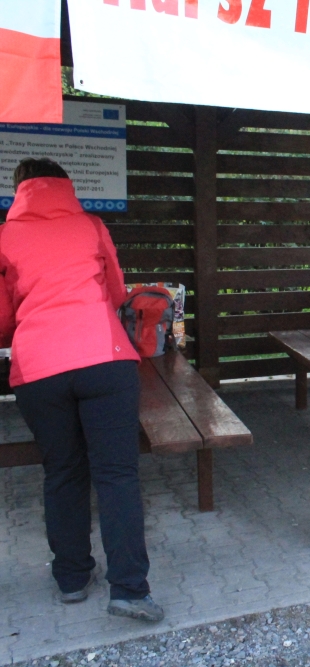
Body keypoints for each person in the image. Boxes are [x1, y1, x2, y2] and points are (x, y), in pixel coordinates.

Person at [0, 158, 164, 622]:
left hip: (39, 370)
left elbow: (3, 318)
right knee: (117, 475)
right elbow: (116, 292)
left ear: (20, 189)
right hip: (104, 360)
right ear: (65, 186)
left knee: (62, 472)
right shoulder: (91, 226)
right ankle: (129, 590)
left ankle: (72, 579)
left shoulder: (5, 237)